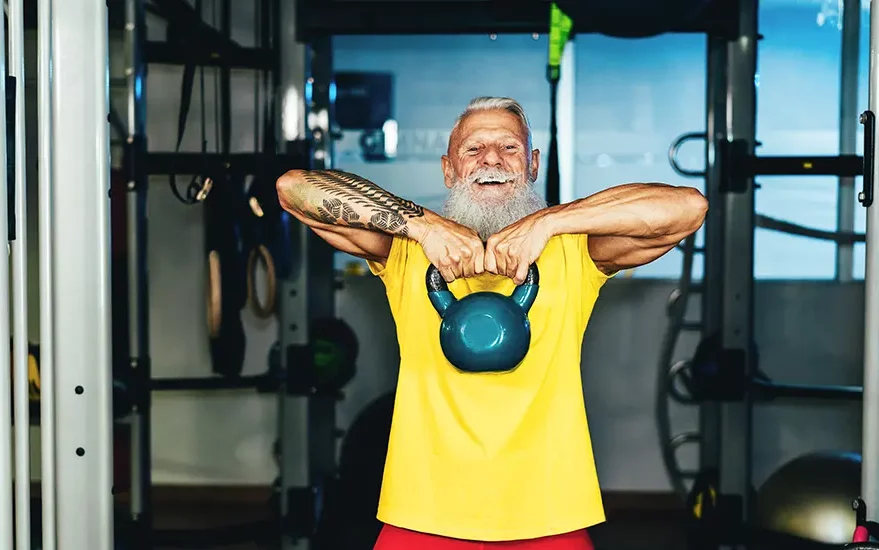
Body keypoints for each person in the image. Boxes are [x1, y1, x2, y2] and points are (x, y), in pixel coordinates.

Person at [276, 96, 708, 550]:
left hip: (548, 515)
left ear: (533, 163)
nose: (492, 160)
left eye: (509, 148)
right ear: (449, 169)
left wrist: (549, 222)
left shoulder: (575, 251)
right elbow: (294, 188)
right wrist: (423, 226)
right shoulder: (406, 248)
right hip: (422, 513)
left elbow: (688, 207)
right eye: (473, 150)